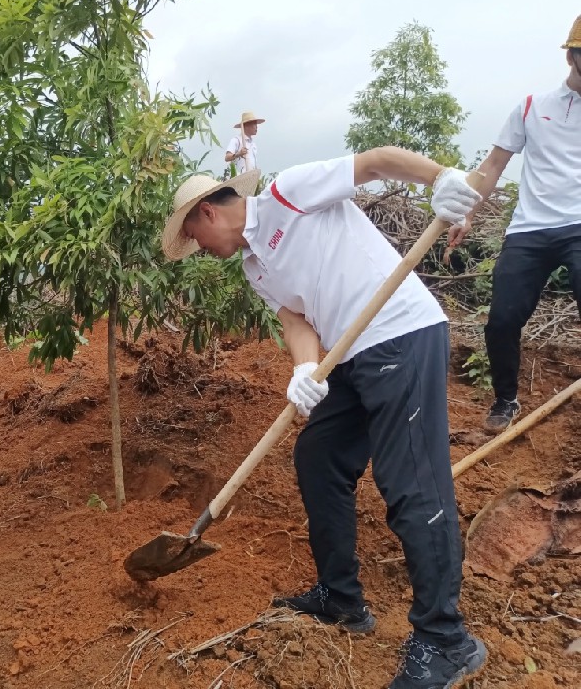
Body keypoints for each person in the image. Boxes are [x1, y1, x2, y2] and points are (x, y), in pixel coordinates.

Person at [162, 148, 486, 688]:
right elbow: (297, 319)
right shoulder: (252, 264)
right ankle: (341, 598)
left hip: (400, 334)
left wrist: (441, 178)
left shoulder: (289, 194)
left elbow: (376, 162)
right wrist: (306, 368)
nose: (198, 248)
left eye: (193, 237)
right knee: (318, 456)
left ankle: (446, 639)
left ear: (207, 214)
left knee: (409, 482)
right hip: (350, 354)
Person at [448, 14, 581, 433]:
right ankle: (505, 400)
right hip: (530, 229)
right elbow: (492, 165)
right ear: (573, 57)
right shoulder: (531, 107)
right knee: (502, 319)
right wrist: (466, 213)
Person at [224, 111, 265, 175]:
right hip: (239, 177)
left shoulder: (253, 144)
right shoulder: (236, 140)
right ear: (246, 126)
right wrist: (239, 154)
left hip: (251, 176)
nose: (257, 127)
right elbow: (227, 157)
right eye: (254, 124)